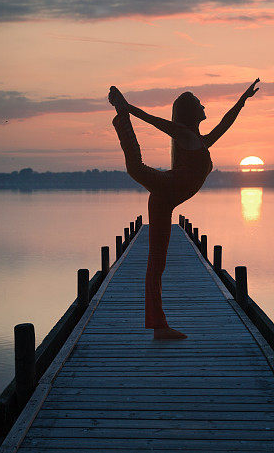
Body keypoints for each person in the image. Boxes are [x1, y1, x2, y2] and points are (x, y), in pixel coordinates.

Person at [108, 79, 260, 339]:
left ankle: (159, 328)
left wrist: (242, 101)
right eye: (199, 104)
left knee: (158, 263)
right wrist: (127, 108)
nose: (204, 106)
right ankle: (120, 116)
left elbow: (225, 122)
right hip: (166, 187)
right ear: (191, 111)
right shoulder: (185, 134)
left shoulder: (199, 140)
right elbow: (155, 120)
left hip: (165, 199)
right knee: (136, 169)